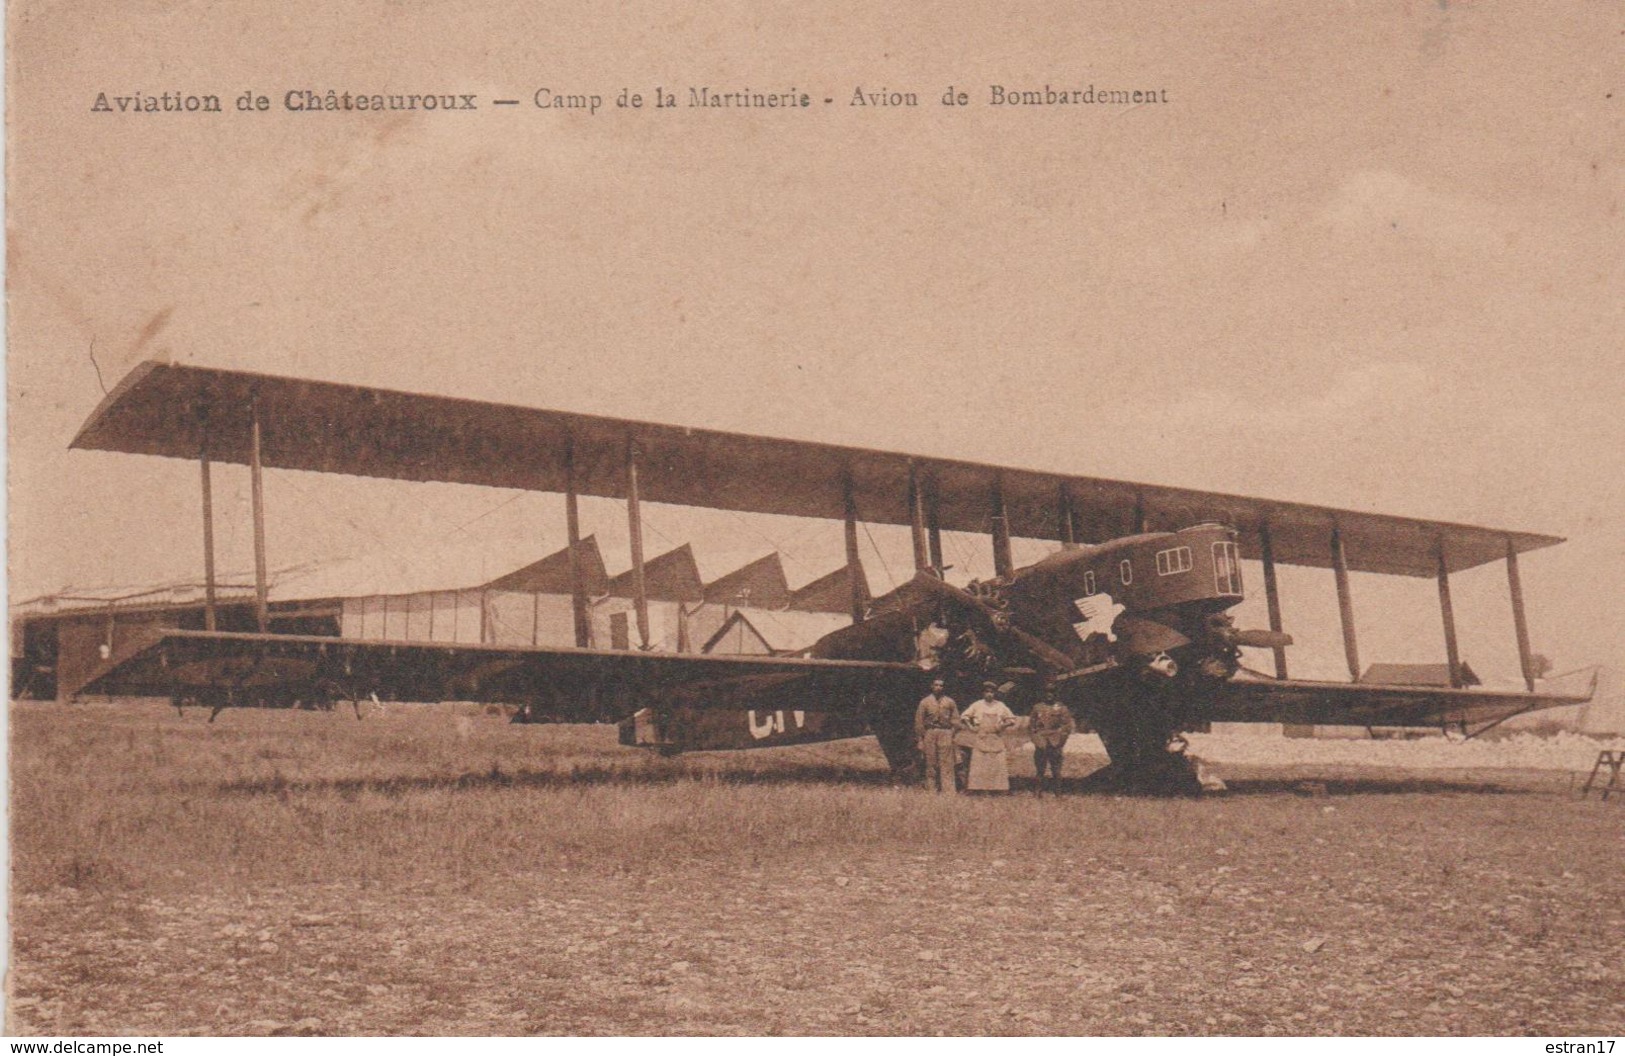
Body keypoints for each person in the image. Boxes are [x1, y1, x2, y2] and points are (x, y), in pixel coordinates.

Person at [959, 681, 1016, 792]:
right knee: (980, 763)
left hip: (995, 737)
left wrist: (1002, 726)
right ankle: (977, 788)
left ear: (994, 693)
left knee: (997, 763)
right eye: (987, 692)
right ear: (983, 693)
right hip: (981, 737)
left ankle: (998, 789)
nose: (989, 694)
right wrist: (971, 727)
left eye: (992, 692)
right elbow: (964, 716)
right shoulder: (977, 704)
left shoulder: (1000, 705)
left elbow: (1012, 719)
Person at [914, 677, 960, 793]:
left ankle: (948, 790)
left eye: (941, 685)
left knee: (947, 762)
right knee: (930, 761)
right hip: (930, 732)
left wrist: (951, 733)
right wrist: (920, 740)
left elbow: (956, 720)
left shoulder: (950, 701)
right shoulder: (925, 702)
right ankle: (931, 789)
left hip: (945, 732)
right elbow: (919, 722)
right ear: (932, 686)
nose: (939, 687)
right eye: (936, 685)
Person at [1028, 685, 1076, 795]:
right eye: (1046, 692)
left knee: (1056, 770)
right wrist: (1037, 741)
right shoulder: (1037, 708)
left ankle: (1058, 793)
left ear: (1056, 694)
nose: (1049, 695)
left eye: (1052, 692)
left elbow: (1066, 726)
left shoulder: (1062, 708)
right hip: (1041, 741)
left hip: (1055, 741)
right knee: (1040, 769)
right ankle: (1037, 792)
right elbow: (1032, 726)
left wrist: (1060, 741)